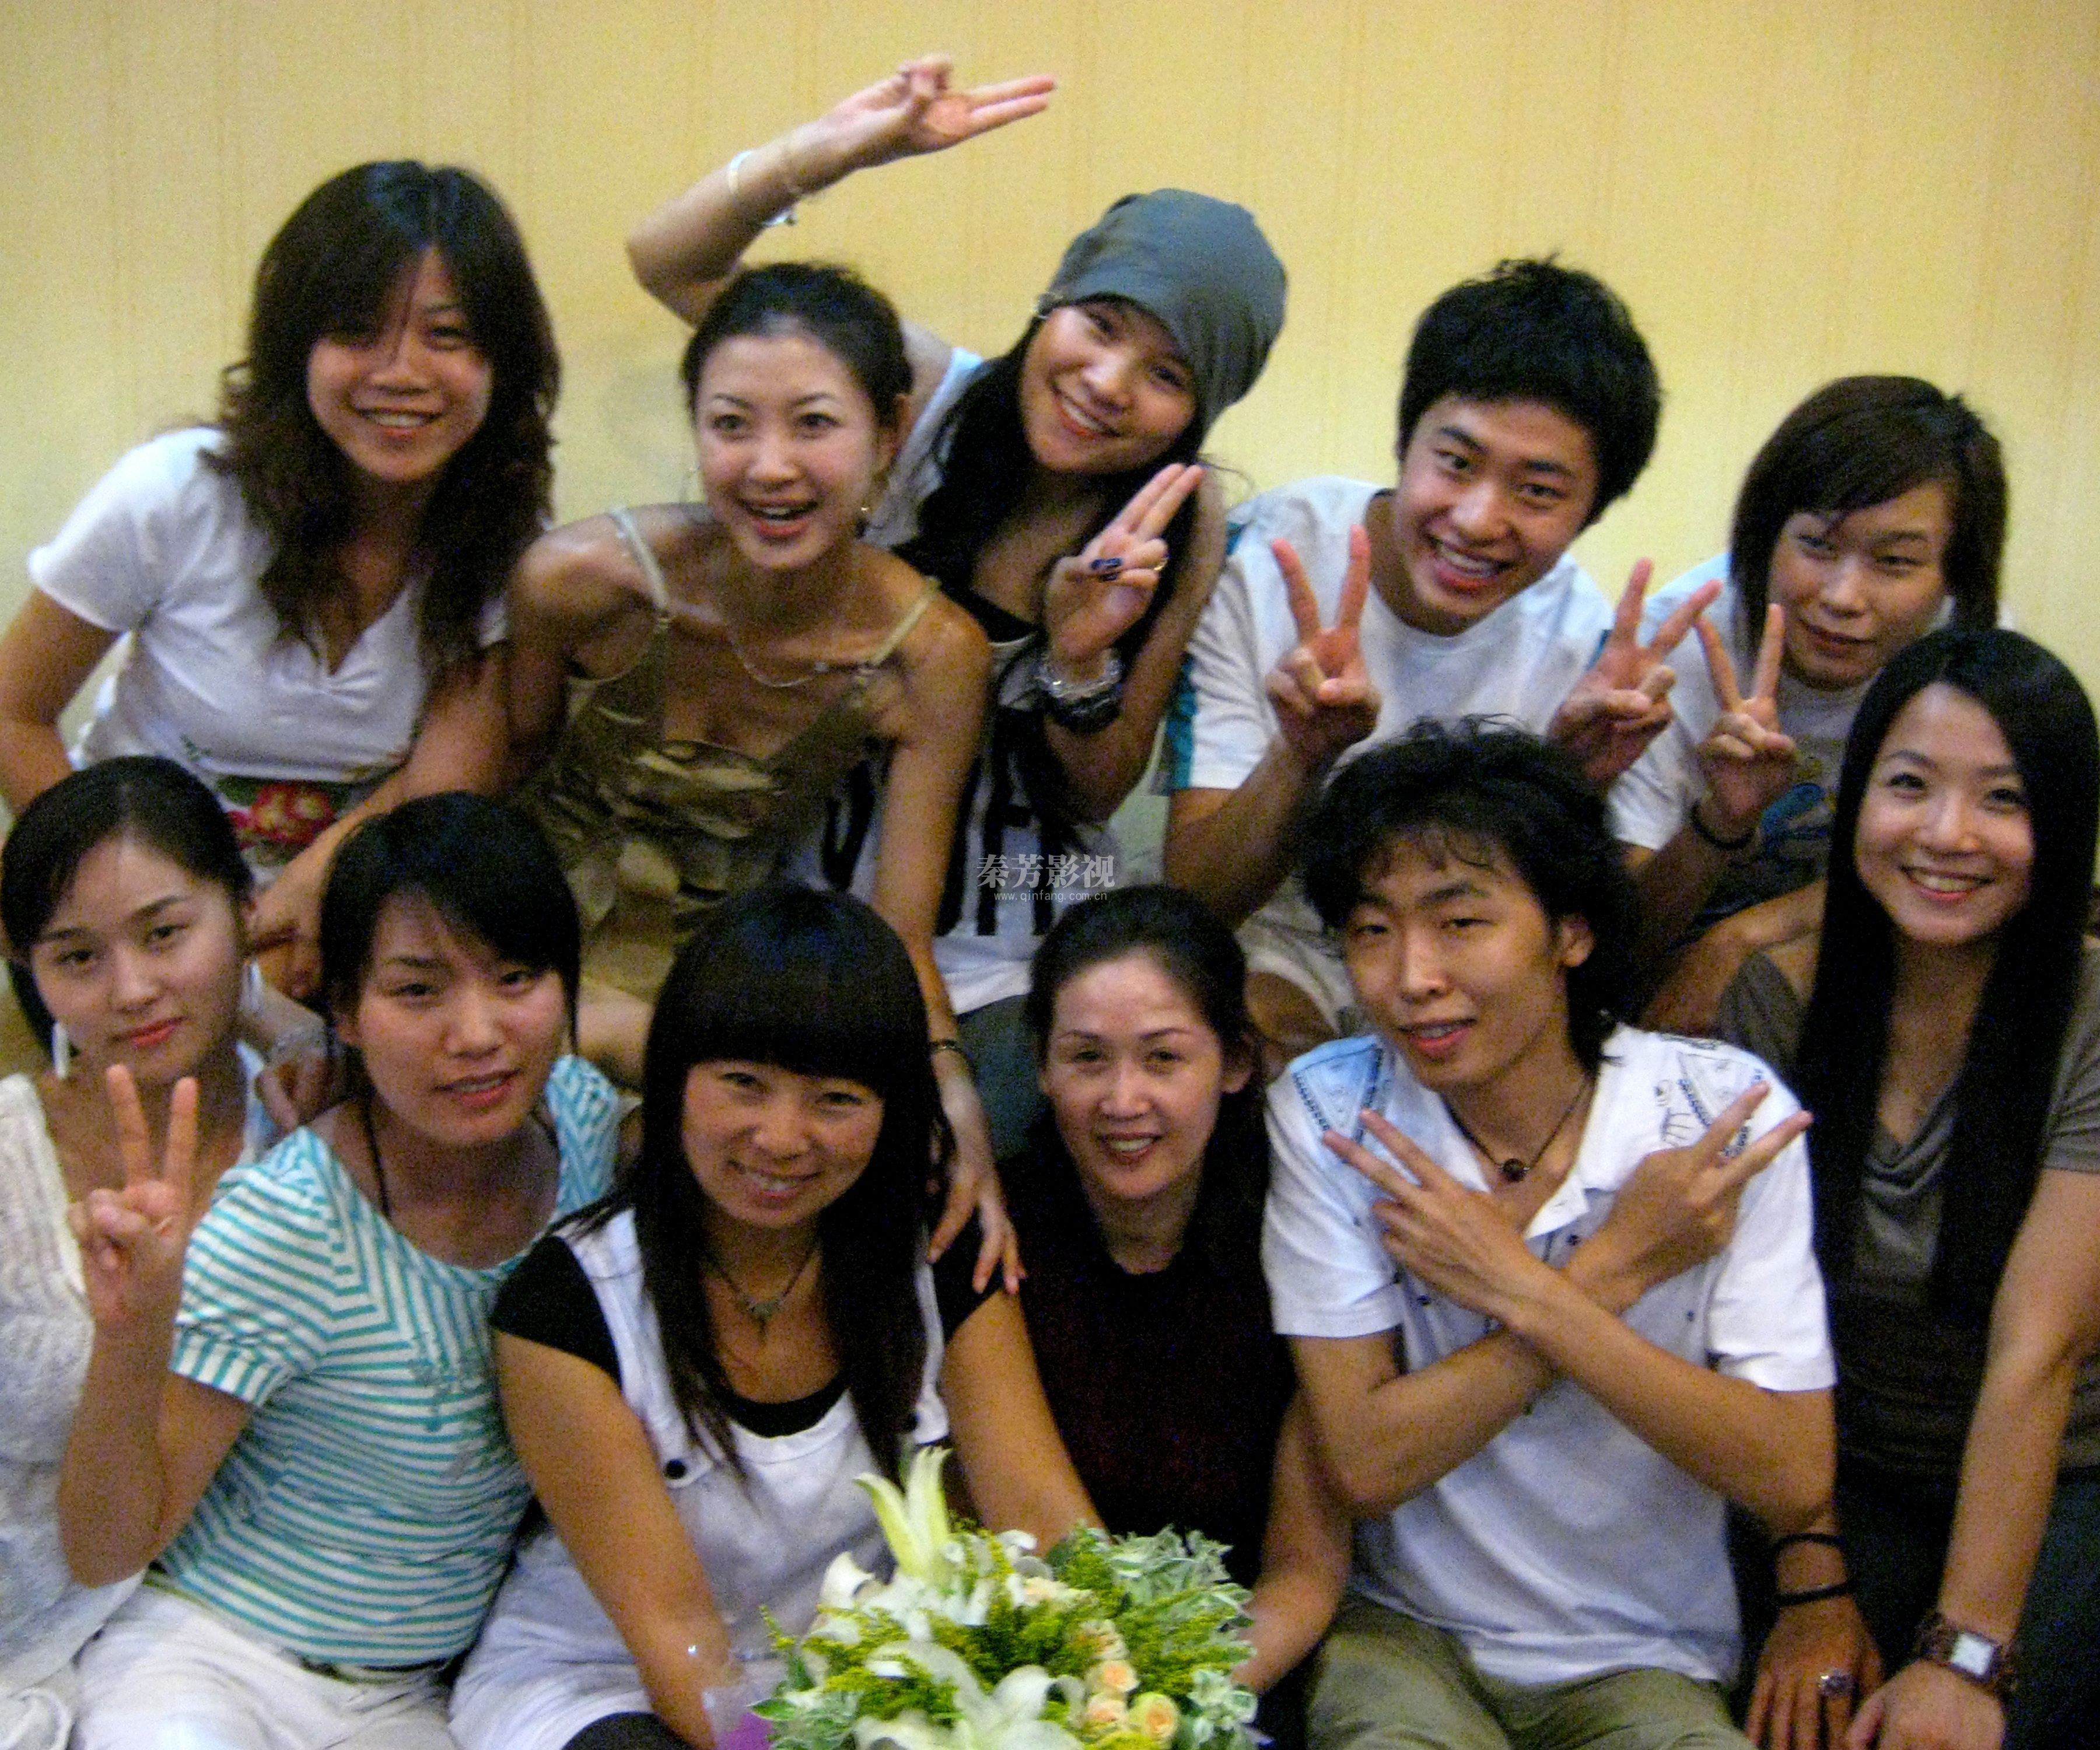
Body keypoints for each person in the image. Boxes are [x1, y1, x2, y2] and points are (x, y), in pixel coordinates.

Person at [626, 55, 1287, 1154]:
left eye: (1167, 375)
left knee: (993, 1148)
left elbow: (1097, 789)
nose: (1109, 383)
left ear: (1196, 412)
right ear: (1054, 302)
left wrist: (1079, 661)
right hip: (810, 891)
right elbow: (667, 262)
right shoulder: (919, 400)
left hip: (1013, 931)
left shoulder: (1181, 518)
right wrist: (828, 154)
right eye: (1102, 325)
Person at [1266, 722, 1835, 1750]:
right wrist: (1613, 1269)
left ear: (1571, 932)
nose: (1412, 977)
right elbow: (1364, 1463)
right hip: (1408, 1638)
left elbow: (1792, 1472)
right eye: (1371, 931)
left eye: (1461, 923)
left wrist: (1519, 1288)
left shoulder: (1717, 1120)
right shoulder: (1337, 1114)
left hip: (1645, 1655)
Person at [449, 886, 1096, 1750]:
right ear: (675, 1079)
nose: (783, 1138)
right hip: (604, 1684)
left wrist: (1132, 1693)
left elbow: (1047, 1522)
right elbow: (681, 1642)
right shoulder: (566, 1306)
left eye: (836, 1099)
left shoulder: (940, 1256)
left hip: (861, 1683)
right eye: (744, 1085)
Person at [57, 793, 620, 1749]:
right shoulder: (286, 1227)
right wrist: (131, 1336)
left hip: (412, 1700)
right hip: (213, 1661)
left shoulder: (584, 1128)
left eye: (515, 977)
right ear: (346, 1011)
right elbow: (106, 1548)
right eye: (419, 991)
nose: (477, 1033)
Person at [508, 258, 1003, 1268]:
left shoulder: (930, 656)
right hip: (518, 961)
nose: (771, 467)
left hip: (719, 1006)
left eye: (814, 424)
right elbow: (489, 784)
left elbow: (902, 935)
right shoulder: (578, 582)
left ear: (889, 437)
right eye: (732, 425)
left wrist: (954, 1098)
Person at [0, 162, 557, 999]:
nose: (401, 371)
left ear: (502, 364)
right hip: (133, 926)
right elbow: (13, 711)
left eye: (446, 336)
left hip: (342, 923)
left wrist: (304, 892)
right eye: (357, 332)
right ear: (296, 347)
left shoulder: (508, 545)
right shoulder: (176, 493)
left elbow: (439, 792)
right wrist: (111, 901)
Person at [1161, 259, 1702, 1072]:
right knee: (1243, 1055)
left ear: (1590, 513)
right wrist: (1301, 755)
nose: (1478, 520)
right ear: (1405, 443)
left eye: (1538, 491)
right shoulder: (1269, 559)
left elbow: (1579, 951)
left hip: (1463, 970)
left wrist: (1569, 778)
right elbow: (1195, 903)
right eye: (1455, 463)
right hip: (1270, 947)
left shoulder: (1589, 651)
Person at [1713, 630, 2100, 1750]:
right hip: (1840, 1474)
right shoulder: (1774, 1003)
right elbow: (1757, 1330)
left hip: (2067, 1473)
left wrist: (1967, 1653)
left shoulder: (2088, 1016)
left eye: (2003, 799)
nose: (1947, 835)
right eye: (1911, 785)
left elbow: (2038, 1351)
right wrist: (1813, 1586)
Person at [1007, 885, 1348, 1748]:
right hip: (1037, 1671)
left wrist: (1167, 1715)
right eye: (1087, 1059)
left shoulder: (1303, 1239)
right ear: (1042, 1067)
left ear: (1235, 1063)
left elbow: (1304, 1574)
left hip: (1240, 1669)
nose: (1124, 1101)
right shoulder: (996, 1236)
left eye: (1163, 1059)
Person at [0, 758, 280, 1749]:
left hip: (215, 1657)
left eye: (165, 934)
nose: (133, 991)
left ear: (244, 910)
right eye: (78, 957)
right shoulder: (9, 1153)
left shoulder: (316, 1140)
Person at [1617, 377, 2006, 1027]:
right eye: (1818, 546)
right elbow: (1622, 944)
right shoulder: (1682, 647)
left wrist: (1743, 938)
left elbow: (1984, 873)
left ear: (1954, 577)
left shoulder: (1968, 655)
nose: (1843, 597)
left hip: (1860, 961)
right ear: (1765, 535)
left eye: (1895, 561)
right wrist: (1722, 821)